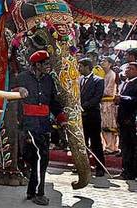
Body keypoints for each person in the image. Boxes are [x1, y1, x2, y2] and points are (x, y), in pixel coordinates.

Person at [12, 50, 67, 206]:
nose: (48, 66)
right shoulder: (21, 77)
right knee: (39, 157)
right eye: (46, 64)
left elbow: (53, 102)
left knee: (39, 158)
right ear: (37, 64)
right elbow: (8, 95)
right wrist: (17, 91)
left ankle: (33, 191)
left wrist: (61, 118)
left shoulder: (49, 80)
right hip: (27, 125)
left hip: (43, 125)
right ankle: (38, 192)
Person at [79, 58, 106, 176]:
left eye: (81, 66)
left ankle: (100, 167)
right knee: (82, 142)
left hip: (92, 116)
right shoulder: (79, 80)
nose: (79, 69)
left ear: (87, 67)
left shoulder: (98, 80)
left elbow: (97, 98)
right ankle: (83, 167)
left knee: (96, 142)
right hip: (81, 117)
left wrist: (83, 106)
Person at [115, 61, 137, 180]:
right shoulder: (125, 83)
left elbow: (134, 99)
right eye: (127, 68)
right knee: (124, 146)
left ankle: (130, 172)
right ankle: (125, 170)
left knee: (131, 147)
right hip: (122, 119)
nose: (127, 70)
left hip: (131, 119)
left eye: (131, 68)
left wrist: (122, 98)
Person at [100, 57, 119, 154]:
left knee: (109, 125)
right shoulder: (105, 74)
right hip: (104, 103)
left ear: (110, 64)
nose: (102, 62)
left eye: (104, 61)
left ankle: (111, 147)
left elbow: (108, 91)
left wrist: (98, 92)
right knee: (105, 125)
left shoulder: (112, 74)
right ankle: (108, 146)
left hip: (108, 103)